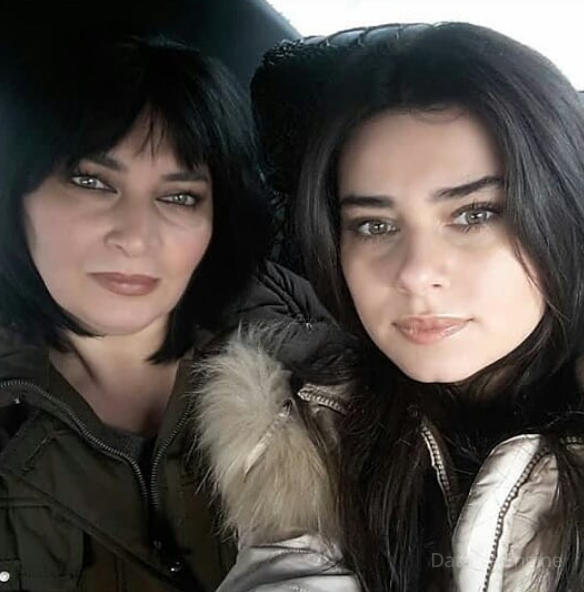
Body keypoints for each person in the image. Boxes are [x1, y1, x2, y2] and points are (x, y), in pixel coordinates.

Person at [195, 21, 584, 592]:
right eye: (374, 225)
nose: (415, 273)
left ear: (565, 213)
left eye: (475, 214)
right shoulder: (310, 441)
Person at [0, 33, 337, 592]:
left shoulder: (313, 351)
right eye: (92, 182)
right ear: (17, 194)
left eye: (179, 197)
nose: (136, 236)